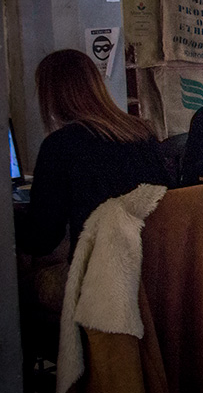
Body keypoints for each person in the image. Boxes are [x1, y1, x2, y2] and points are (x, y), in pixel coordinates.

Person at [15, 49, 171, 257]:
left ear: (50, 95)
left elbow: (41, 239)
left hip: (100, 274)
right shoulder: (143, 133)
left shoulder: (60, 146)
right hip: (153, 265)